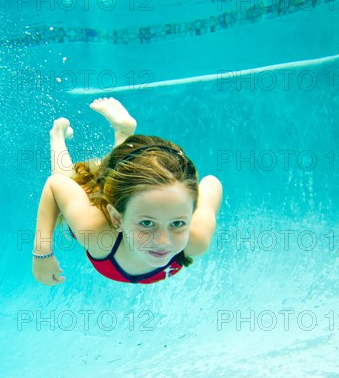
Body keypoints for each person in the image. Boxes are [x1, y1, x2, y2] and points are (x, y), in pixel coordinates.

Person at [32, 97, 223, 285]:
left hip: (131, 203)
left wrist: (181, 196)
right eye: (147, 223)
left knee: (126, 186)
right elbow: (56, 184)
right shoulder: (95, 231)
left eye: (178, 222)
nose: (164, 241)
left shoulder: (196, 238)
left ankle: (123, 135)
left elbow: (212, 184)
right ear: (116, 219)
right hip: (113, 219)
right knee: (74, 182)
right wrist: (42, 253)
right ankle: (57, 134)